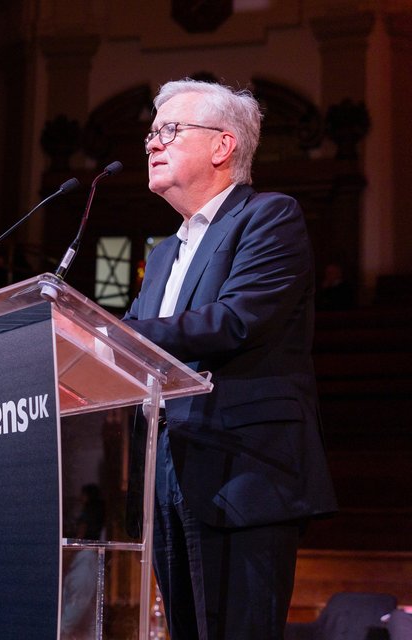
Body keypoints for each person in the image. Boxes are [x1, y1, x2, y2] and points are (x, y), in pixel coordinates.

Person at [122, 79, 337, 640]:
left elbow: (237, 319)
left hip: (245, 470)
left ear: (222, 146)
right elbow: (137, 355)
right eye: (151, 132)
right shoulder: (163, 251)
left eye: (168, 131)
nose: (151, 143)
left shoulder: (269, 217)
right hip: (168, 473)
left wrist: (112, 334)